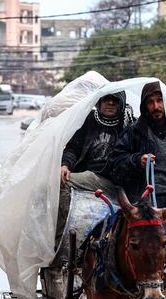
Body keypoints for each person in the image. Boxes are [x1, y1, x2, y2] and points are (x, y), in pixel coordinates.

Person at [107, 81, 166, 258]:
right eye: (150, 102)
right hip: (148, 200)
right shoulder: (134, 132)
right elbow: (114, 163)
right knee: (159, 249)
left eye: (160, 101)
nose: (156, 107)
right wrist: (137, 160)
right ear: (144, 106)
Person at [56, 91, 134, 237]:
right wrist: (65, 165)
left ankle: (63, 238)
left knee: (66, 183)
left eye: (115, 100)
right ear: (98, 102)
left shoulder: (129, 124)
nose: (110, 103)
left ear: (121, 103)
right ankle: (61, 236)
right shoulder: (89, 121)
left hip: (113, 181)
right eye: (106, 99)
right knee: (59, 180)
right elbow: (74, 148)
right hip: (88, 176)